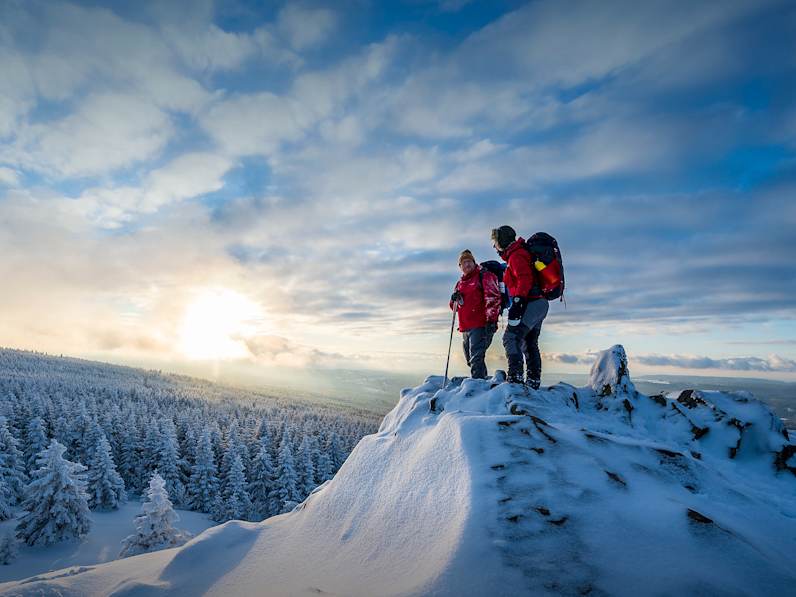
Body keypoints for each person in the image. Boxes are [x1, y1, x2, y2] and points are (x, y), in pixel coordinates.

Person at [491, 226, 548, 389]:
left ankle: (515, 378)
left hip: (531, 302)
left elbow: (524, 279)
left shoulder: (516, 255)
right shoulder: (518, 253)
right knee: (529, 341)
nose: (494, 246)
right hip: (539, 303)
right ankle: (533, 381)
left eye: (495, 242)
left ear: (502, 241)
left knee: (511, 337)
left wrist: (518, 301)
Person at [449, 249, 501, 379]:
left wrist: (491, 321)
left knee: (476, 359)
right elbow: (454, 307)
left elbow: (493, 298)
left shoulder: (484, 276)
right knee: (470, 359)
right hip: (465, 327)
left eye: (469, 261)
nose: (467, 264)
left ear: (474, 262)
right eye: (464, 262)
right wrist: (454, 299)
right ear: (460, 267)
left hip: (481, 325)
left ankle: (477, 389)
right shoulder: (459, 284)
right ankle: (482, 382)